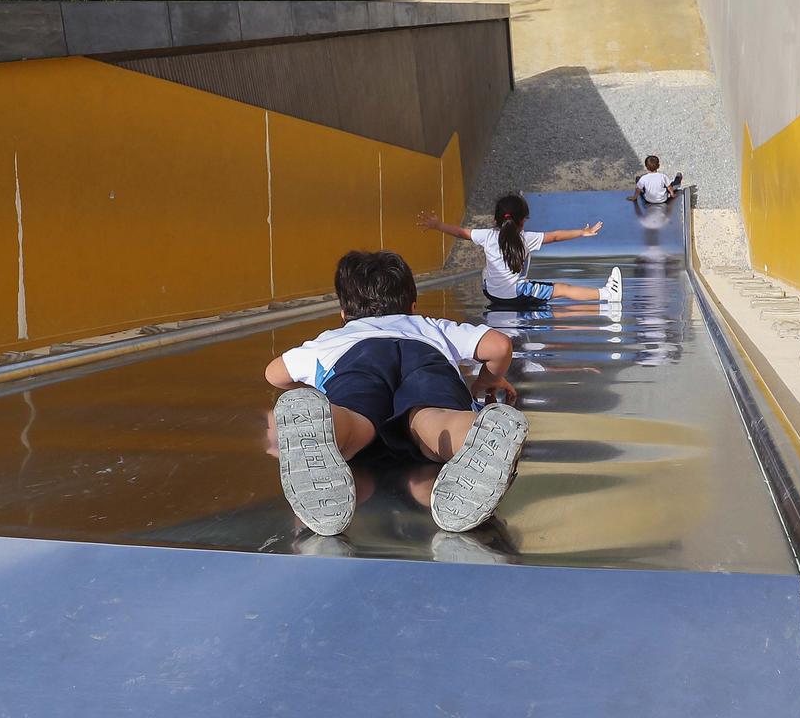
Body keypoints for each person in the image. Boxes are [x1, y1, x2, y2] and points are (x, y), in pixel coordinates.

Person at [264, 250, 528, 538]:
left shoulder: (334, 338)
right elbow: (499, 345)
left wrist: (312, 384)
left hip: (356, 360)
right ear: (412, 306)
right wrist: (486, 382)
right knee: (433, 418)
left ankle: (328, 425)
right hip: (423, 357)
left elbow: (274, 373)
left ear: (343, 314)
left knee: (355, 421)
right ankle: (472, 434)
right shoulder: (429, 326)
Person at [417, 194, 622, 309]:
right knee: (562, 289)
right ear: (523, 220)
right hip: (515, 295)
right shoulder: (527, 239)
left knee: (491, 273)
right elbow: (556, 236)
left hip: (491, 293)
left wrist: (438, 225)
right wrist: (582, 232)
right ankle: (606, 294)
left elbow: (462, 232)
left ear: (496, 219)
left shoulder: (486, 235)